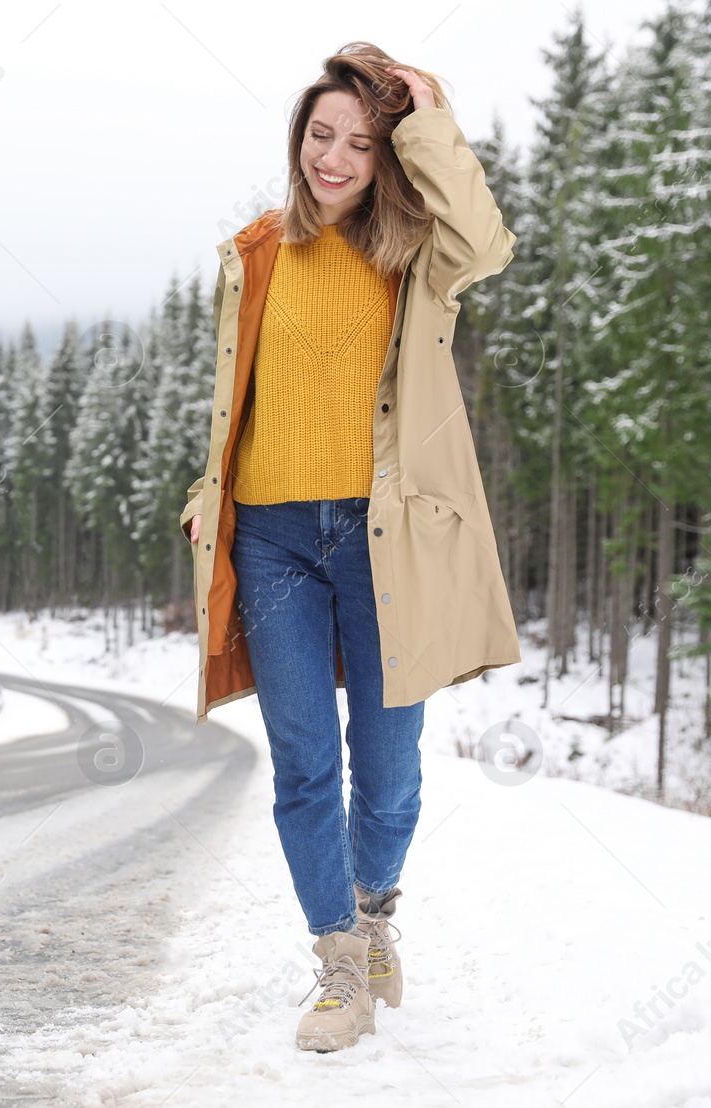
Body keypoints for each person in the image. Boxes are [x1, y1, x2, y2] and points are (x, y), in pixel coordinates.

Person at [178, 42, 522, 1053]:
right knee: (299, 764)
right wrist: (208, 494)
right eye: (320, 134)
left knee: (389, 766)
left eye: (360, 143)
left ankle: (375, 915)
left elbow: (489, 239)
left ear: (383, 158)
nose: (333, 157)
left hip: (384, 539)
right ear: (297, 140)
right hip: (274, 536)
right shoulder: (251, 254)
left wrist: (424, 110)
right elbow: (229, 404)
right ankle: (337, 965)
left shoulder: (416, 257)